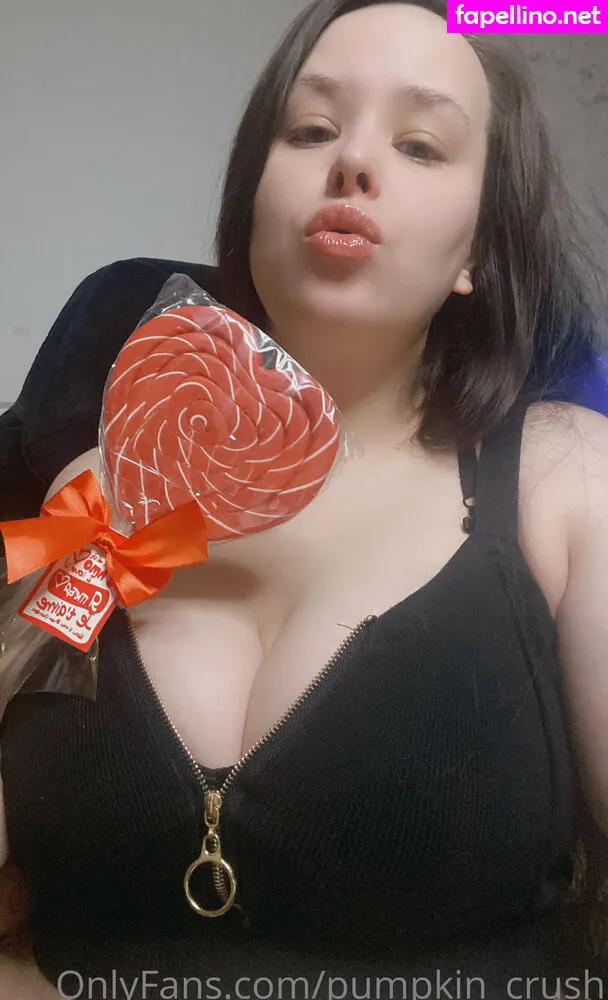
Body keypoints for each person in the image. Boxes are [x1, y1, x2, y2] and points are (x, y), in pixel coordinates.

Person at [0, 1, 607, 996]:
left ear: (479, 252)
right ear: (253, 199)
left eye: (419, 145)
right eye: (312, 128)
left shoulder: (564, 483)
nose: (352, 161)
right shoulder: (108, 486)